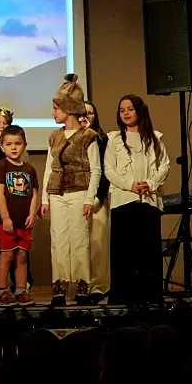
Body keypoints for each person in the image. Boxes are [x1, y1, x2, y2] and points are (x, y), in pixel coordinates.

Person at [40, 74, 101, 306]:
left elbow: (95, 169)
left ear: (69, 108)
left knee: (79, 239)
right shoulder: (54, 137)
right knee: (58, 240)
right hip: (57, 194)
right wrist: (45, 198)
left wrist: (89, 198)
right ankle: (60, 286)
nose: (53, 113)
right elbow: (49, 168)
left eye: (56, 108)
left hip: (79, 192)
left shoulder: (88, 137)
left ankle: (82, 286)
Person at [103, 94, 170, 305]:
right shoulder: (114, 139)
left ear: (140, 111)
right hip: (123, 201)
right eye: (122, 110)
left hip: (148, 201)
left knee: (148, 251)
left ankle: (150, 297)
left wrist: (150, 183)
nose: (125, 113)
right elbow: (109, 169)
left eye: (130, 109)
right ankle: (124, 297)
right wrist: (129, 184)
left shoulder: (154, 138)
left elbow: (164, 165)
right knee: (124, 252)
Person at [0, 105, 30, 291]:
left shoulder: (20, 152)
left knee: (20, 249)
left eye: (5, 123)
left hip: (18, 202)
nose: (1, 126)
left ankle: (21, 284)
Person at [0, 125, 39, 306]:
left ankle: (21, 290)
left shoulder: (29, 169)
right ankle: (2, 290)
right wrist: (5, 218)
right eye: (9, 144)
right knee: (7, 256)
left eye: (18, 144)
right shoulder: (1, 166)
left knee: (22, 256)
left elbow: (34, 194)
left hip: (24, 222)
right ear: (2, 146)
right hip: (7, 222)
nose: (13, 148)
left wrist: (32, 214)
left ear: (25, 145)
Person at [82, 100, 111, 303]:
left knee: (98, 244)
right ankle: (81, 286)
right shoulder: (66, 139)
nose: (86, 117)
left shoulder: (103, 139)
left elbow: (105, 171)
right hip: (75, 198)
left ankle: (98, 287)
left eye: (90, 113)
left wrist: (97, 198)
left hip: (98, 199)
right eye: (82, 113)